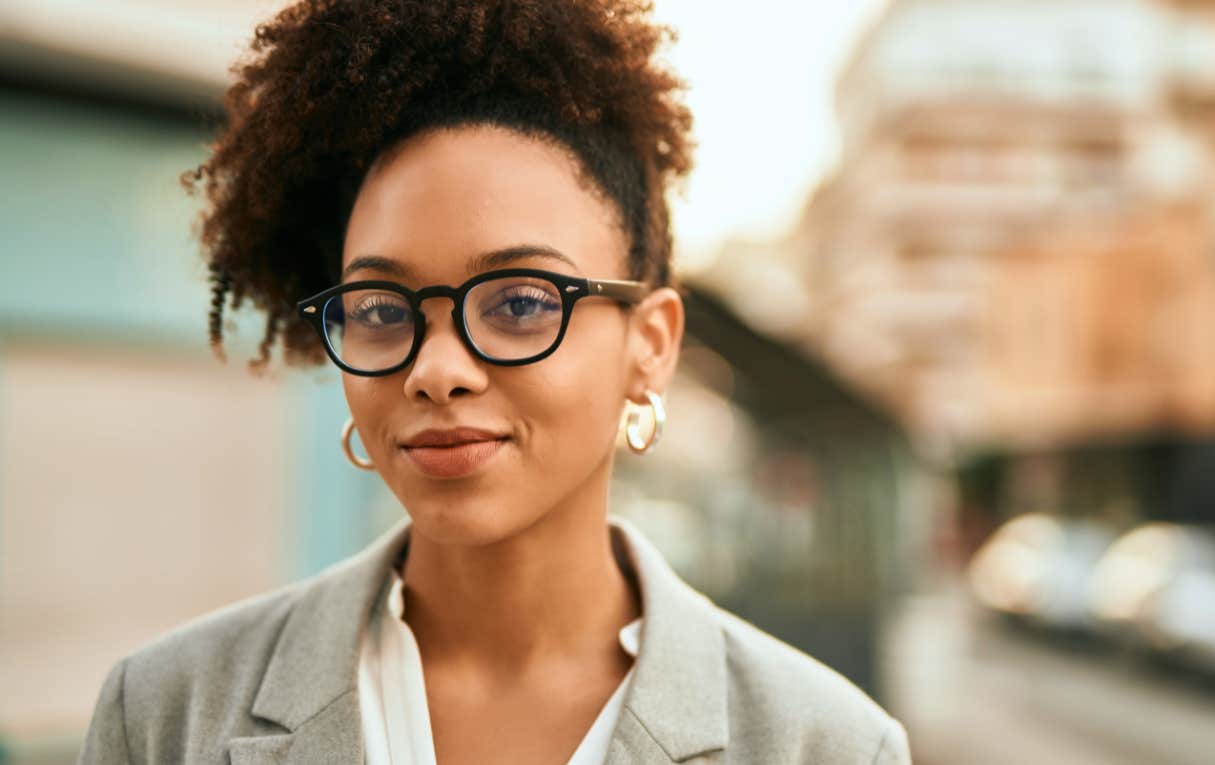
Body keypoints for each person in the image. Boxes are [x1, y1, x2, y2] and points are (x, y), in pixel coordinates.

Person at [76, 1, 911, 763]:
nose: (436, 370)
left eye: (518, 301)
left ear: (650, 344)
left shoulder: (826, 743)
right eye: (380, 308)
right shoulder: (163, 713)